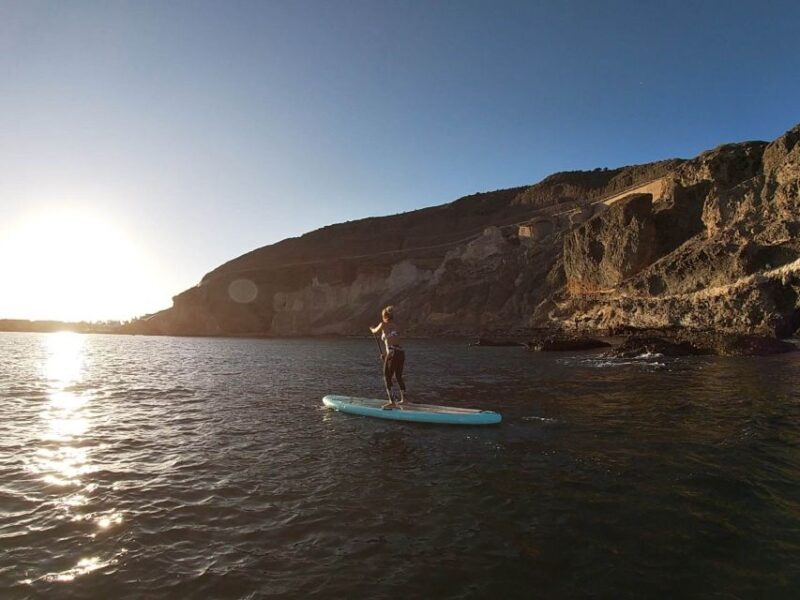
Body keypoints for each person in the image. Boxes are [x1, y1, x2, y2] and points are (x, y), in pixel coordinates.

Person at [369, 305, 407, 409]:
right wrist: (385, 355)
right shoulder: (395, 326)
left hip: (393, 353)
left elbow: (374, 331)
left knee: (387, 376)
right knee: (398, 376)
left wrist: (372, 328)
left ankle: (392, 401)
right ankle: (405, 399)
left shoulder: (382, 324)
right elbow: (394, 342)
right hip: (400, 353)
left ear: (384, 316)